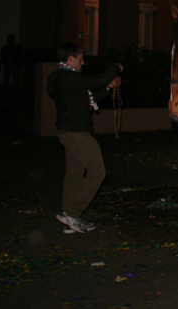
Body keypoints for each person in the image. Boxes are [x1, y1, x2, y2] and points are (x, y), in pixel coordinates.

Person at [46, 43, 122, 234]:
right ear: (70, 59)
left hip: (70, 133)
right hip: (76, 134)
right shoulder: (67, 78)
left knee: (74, 174)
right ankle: (72, 213)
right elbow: (95, 80)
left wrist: (107, 88)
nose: (83, 63)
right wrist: (116, 68)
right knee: (98, 172)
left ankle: (70, 217)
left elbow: (89, 98)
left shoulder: (65, 80)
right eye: (80, 59)